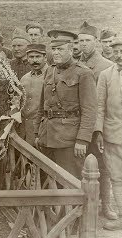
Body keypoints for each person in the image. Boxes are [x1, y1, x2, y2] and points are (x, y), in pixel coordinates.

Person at [33, 30, 97, 179]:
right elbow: (42, 106)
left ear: (71, 50)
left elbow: (89, 110)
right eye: (53, 49)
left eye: (60, 49)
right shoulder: (50, 70)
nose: (55, 53)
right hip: (46, 136)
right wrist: (37, 133)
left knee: (70, 182)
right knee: (48, 182)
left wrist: (82, 140)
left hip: (69, 139)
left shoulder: (83, 73)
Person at [78, 21, 117, 220]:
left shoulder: (107, 66)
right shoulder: (75, 63)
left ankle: (106, 205)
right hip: (79, 124)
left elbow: (107, 101)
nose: (83, 44)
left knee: (103, 166)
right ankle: (83, 205)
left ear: (96, 42)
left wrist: (100, 129)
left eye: (87, 40)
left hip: (97, 125)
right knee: (80, 164)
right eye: (80, 40)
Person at [94, 38, 122, 230]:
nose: (119, 55)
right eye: (116, 51)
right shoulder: (105, 75)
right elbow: (99, 105)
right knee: (117, 176)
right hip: (113, 133)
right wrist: (99, 131)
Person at [19, 43, 48, 145]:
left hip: (42, 129)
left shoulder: (51, 76)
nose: (35, 60)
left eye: (38, 57)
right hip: (24, 128)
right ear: (27, 58)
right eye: (31, 57)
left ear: (45, 58)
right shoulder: (24, 78)